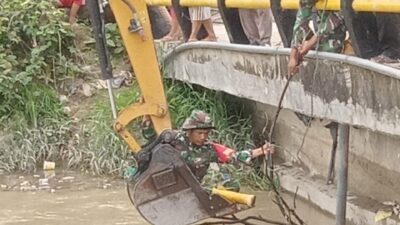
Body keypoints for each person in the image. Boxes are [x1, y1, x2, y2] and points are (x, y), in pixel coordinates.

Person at [172, 110, 274, 191]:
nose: (203, 137)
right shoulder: (172, 142)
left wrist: (261, 151)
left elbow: (234, 156)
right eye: (199, 133)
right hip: (172, 186)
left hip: (196, 188)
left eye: (206, 133)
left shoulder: (210, 148)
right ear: (190, 131)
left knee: (232, 184)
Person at [288, 0, 346, 75]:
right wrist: (293, 56)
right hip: (322, 39)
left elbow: (338, 17)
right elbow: (301, 22)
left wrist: (310, 44)